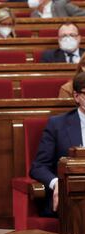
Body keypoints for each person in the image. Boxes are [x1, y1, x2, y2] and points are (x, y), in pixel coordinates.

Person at [30, 72, 85, 216]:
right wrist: (56, 183)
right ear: (76, 96)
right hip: (73, 197)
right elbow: (39, 167)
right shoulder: (57, 125)